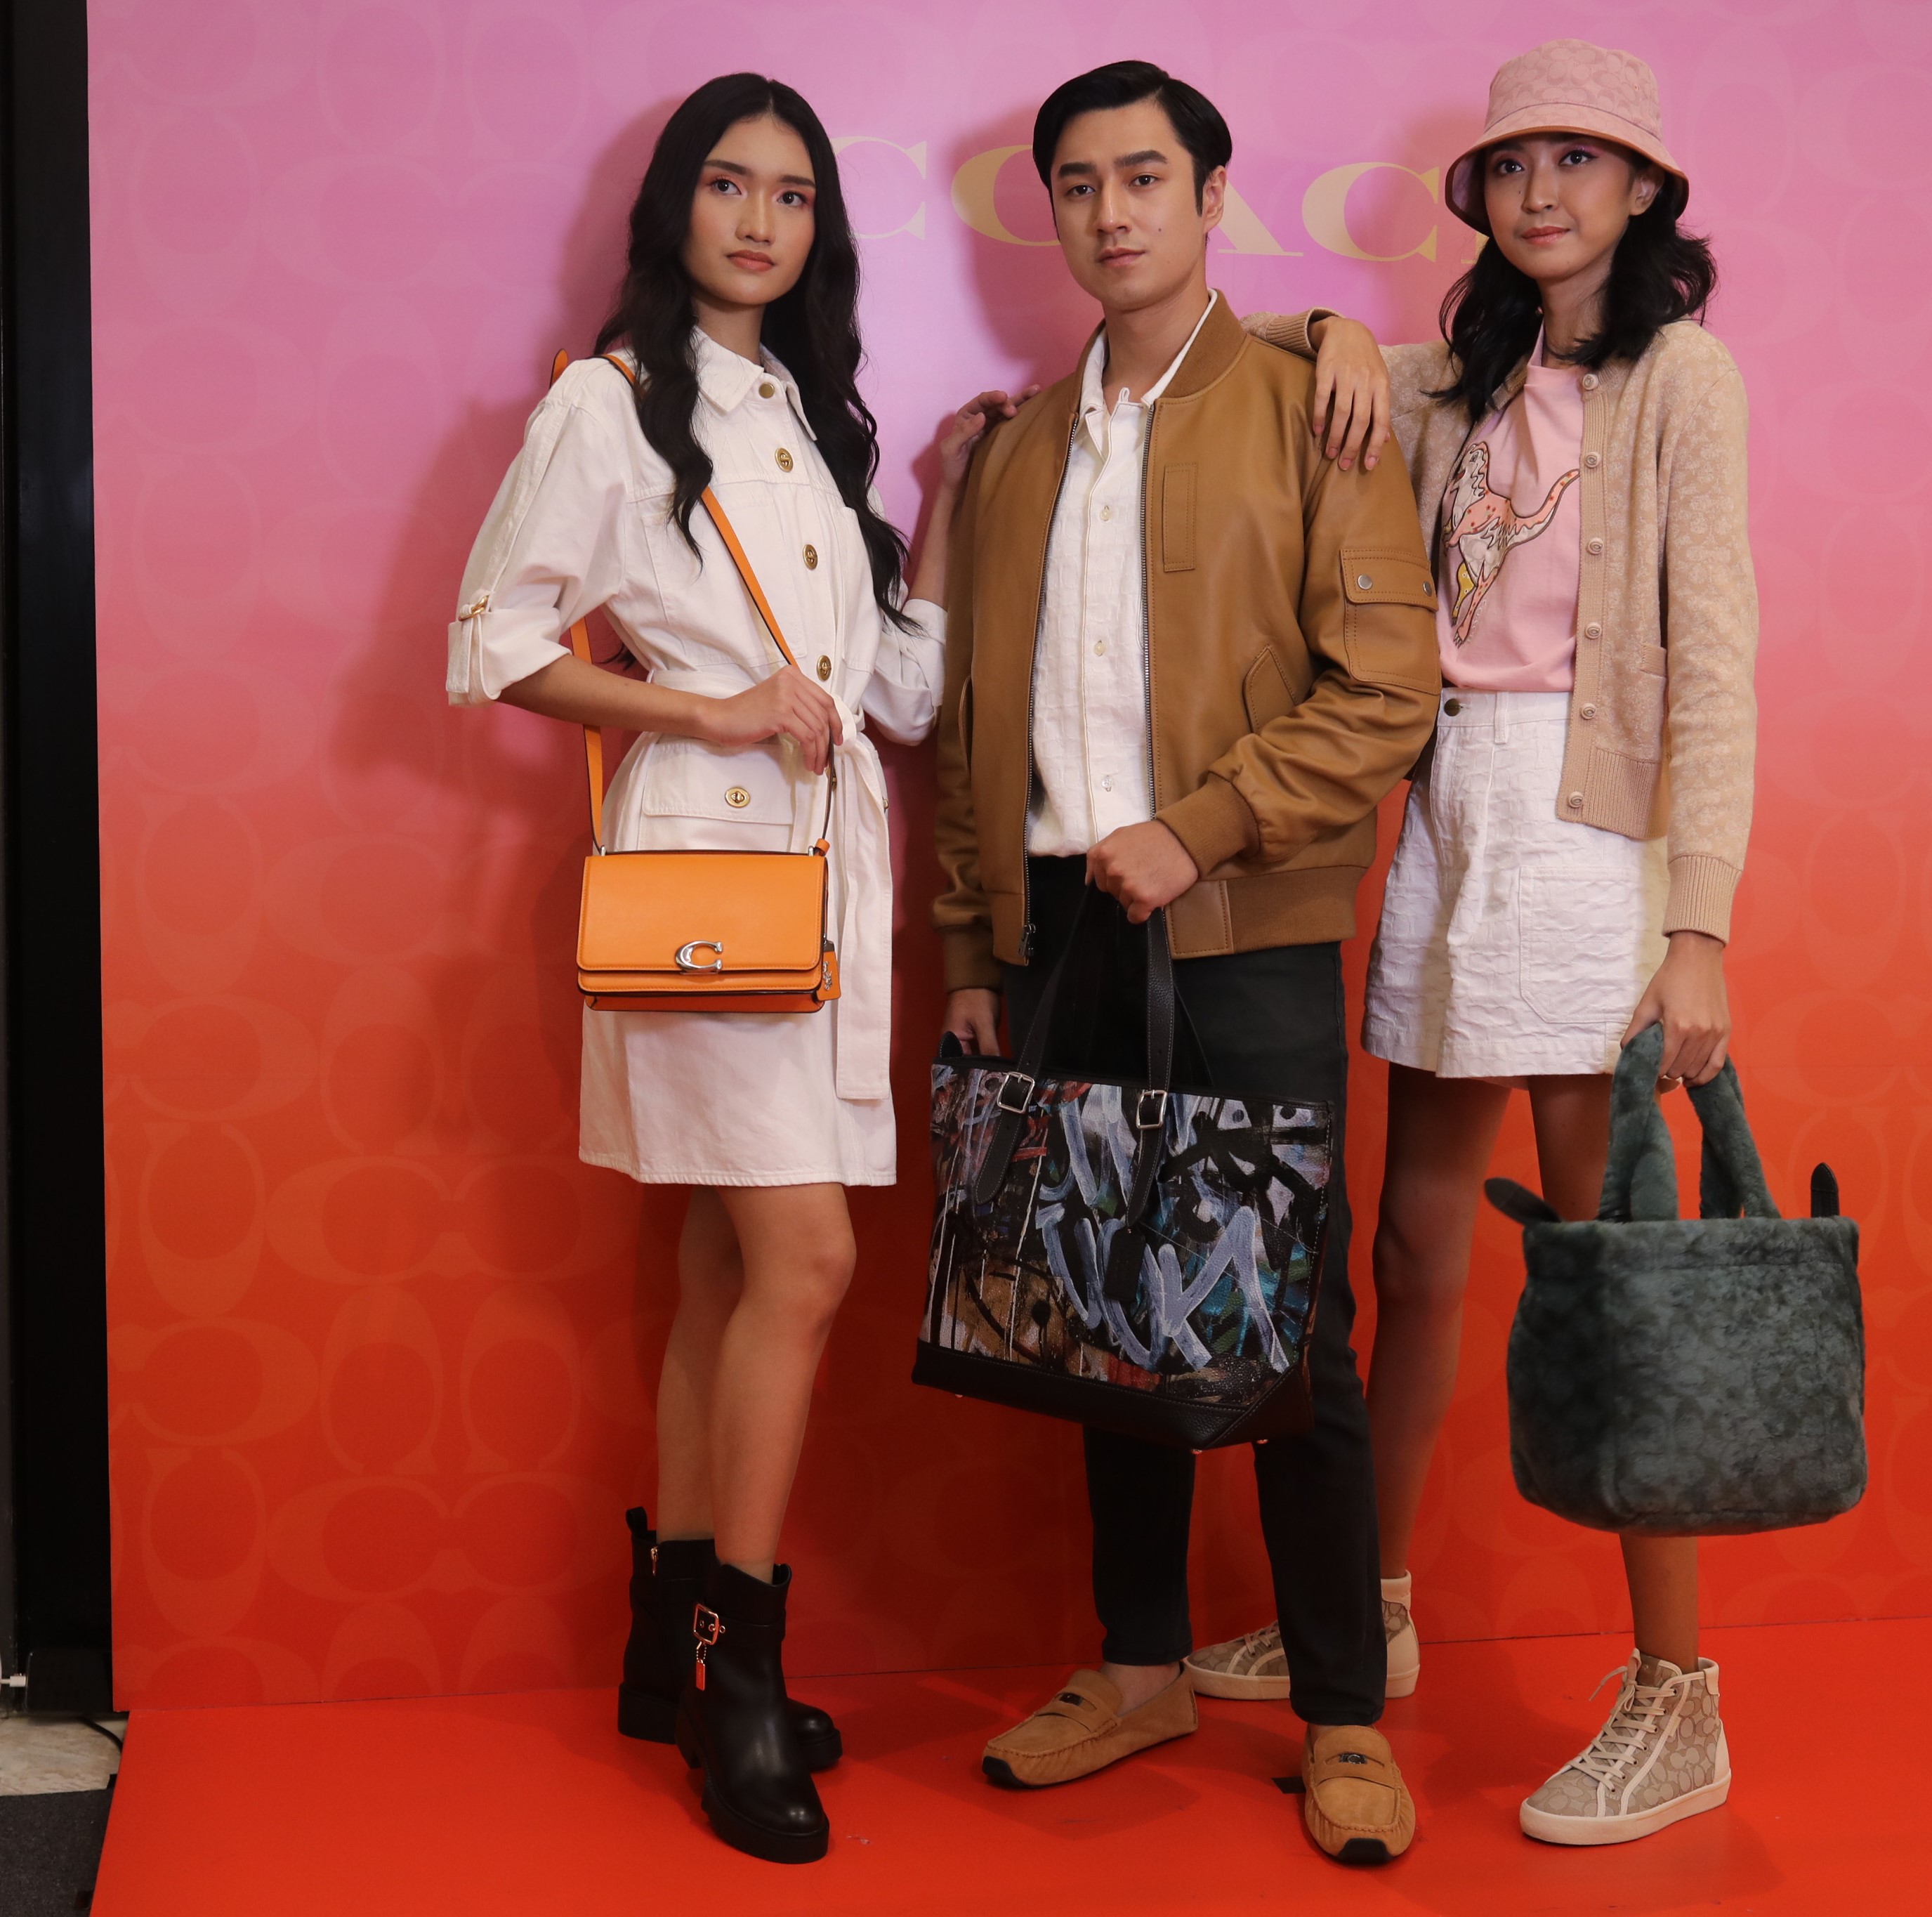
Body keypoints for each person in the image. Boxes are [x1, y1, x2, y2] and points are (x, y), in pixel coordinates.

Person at [445, 72, 1014, 1866]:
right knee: (805, 1257)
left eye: (791, 194)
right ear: (671, 209)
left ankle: (667, 1648)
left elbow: (893, 695)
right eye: (726, 185)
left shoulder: (810, 417)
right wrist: (701, 708)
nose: (759, 221)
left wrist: (942, 498)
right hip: (708, 878)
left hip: (822, 888)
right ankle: (739, 1678)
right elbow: (492, 641)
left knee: (721, 1259)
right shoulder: (610, 401)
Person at [1207, 39, 1759, 1846]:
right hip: (1451, 815)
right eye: (1512, 165)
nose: (1540, 193)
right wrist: (1333, 333)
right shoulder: (1463, 374)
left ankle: (1676, 1696)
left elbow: (1717, 656)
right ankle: (1360, 1618)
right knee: (1412, 1244)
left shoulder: (1679, 380)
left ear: (1641, 191)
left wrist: (1697, 924)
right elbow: (1264, 345)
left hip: (1590, 835)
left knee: (1605, 1272)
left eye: (1577, 162)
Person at [932, 60, 1441, 1865]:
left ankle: (1339, 1713)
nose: (1111, 213)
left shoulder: (1315, 405)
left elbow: (1385, 692)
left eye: (1144, 177)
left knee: (1296, 1333)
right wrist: (973, 940)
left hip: (1245, 927)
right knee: (1099, 1307)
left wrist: (1205, 825)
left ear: (1213, 197)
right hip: (1057, 930)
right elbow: (971, 721)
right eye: (1076, 185)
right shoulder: (1010, 451)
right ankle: (1139, 1667)